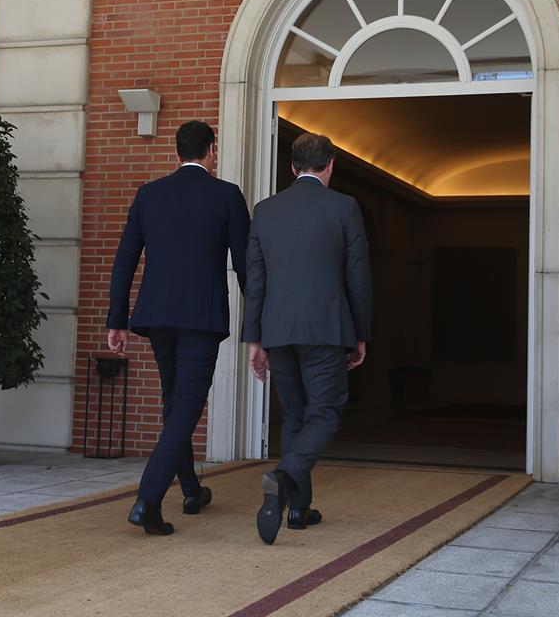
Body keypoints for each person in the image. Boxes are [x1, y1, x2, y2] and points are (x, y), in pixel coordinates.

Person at [107, 120, 250, 536]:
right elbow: (245, 265)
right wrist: (261, 320)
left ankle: (190, 489)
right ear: (211, 151)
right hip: (201, 318)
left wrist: (116, 320)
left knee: (175, 403)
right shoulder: (226, 195)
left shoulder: (149, 194)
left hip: (156, 316)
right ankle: (147, 500)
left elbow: (124, 260)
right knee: (187, 407)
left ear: (176, 153)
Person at [242, 132, 371, 545]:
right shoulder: (345, 207)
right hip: (325, 329)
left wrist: (255, 339)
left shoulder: (265, 211)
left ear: (292, 167)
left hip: (278, 329)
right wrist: (360, 334)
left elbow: (255, 280)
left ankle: (297, 509)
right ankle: (283, 479)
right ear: (330, 164)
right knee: (328, 409)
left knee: (296, 415)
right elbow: (358, 277)